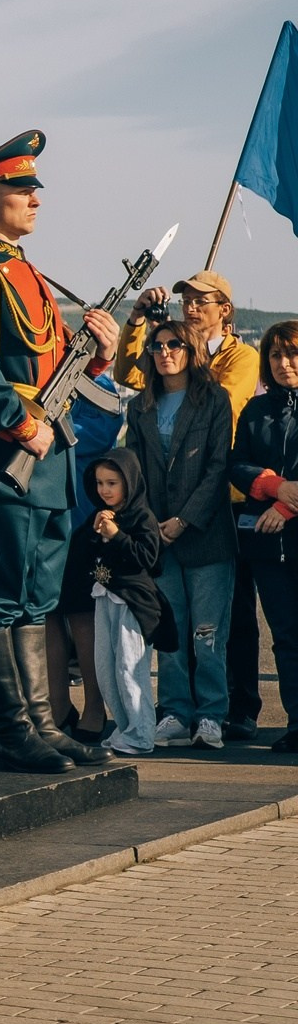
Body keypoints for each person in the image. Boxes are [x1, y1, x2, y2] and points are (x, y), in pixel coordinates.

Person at [0, 130, 119, 773]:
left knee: (38, 598)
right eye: (21, 188)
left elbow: (56, 364)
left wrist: (101, 350)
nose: (34, 198)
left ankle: (45, 724)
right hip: (5, 458)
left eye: (34, 187)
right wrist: (22, 426)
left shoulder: (30, 274)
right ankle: (12, 732)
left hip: (48, 461)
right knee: (0, 599)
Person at [129, 322, 235, 748]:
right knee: (169, 630)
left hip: (205, 533)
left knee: (208, 633)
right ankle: (174, 710)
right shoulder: (139, 406)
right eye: (157, 345)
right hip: (158, 535)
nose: (165, 351)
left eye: (174, 344)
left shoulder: (214, 400)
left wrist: (184, 519)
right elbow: (132, 469)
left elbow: (217, 466)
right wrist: (150, 521)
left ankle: (211, 715)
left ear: (192, 350)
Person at [47, 371, 129, 741]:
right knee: (45, 614)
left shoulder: (98, 385)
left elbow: (99, 433)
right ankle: (55, 706)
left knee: (85, 619)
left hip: (83, 517)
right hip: (44, 512)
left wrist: (46, 426)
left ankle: (95, 705)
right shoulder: (40, 379)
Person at [230, 321, 298, 750]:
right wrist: (274, 487)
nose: (284, 363)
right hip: (269, 547)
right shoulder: (256, 411)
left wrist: (284, 505)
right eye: (275, 355)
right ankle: (296, 721)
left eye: (291, 353)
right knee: (285, 636)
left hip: (280, 524)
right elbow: (237, 464)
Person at [76, 449, 170, 757]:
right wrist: (95, 533)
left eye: (112, 483)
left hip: (133, 602)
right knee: (106, 668)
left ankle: (141, 734)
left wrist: (117, 535)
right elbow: (83, 554)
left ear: (128, 483)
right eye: (100, 483)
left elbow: (149, 559)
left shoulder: (141, 516)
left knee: (131, 667)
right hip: (104, 597)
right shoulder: (99, 516)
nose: (105, 490)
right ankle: (126, 727)